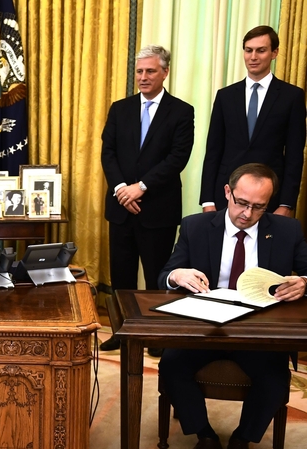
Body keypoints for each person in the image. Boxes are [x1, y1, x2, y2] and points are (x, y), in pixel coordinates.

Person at [158, 163, 307, 449]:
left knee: (275, 378)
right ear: (228, 192)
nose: (247, 214)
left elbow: (306, 271)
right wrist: (178, 275)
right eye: (241, 203)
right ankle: (205, 434)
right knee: (172, 366)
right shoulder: (195, 226)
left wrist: (303, 282)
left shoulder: (288, 230)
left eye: (259, 207)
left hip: (258, 332)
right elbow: (165, 275)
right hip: (204, 329)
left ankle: (242, 439)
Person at [99, 45, 195, 353]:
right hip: (121, 208)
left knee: (157, 277)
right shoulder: (120, 108)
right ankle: (123, 333)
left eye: (150, 71)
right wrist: (121, 190)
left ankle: (155, 335)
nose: (143, 77)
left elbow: (177, 158)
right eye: (139, 71)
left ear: (165, 72)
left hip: (157, 209)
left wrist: (140, 187)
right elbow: (108, 153)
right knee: (121, 279)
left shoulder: (181, 111)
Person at [200, 26, 306, 217]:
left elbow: (294, 156)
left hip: (270, 198)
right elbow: (213, 151)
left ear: (274, 53)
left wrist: (286, 204)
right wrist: (207, 200)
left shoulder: (292, 97)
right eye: (248, 50)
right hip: (226, 195)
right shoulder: (225, 96)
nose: (253, 56)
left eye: (261, 50)